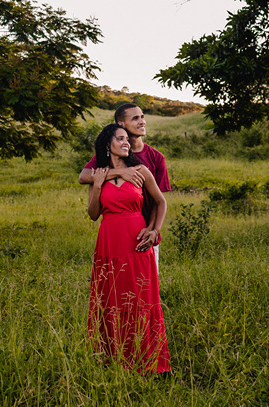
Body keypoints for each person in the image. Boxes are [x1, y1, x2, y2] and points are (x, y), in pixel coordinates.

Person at [86, 122, 171, 374]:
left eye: (127, 139)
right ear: (107, 144)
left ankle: (150, 363)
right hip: (109, 240)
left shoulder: (141, 170)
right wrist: (100, 183)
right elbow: (93, 214)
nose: (126, 142)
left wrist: (154, 230)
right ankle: (115, 362)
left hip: (137, 239)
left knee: (141, 299)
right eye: (120, 138)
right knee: (112, 299)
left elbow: (161, 202)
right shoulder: (97, 173)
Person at [79, 103, 171, 264]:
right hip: (114, 233)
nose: (142, 121)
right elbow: (84, 177)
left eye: (142, 117)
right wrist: (121, 172)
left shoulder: (155, 158)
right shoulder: (108, 156)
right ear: (121, 124)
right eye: (135, 118)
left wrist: (153, 229)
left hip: (144, 233)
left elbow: (159, 200)